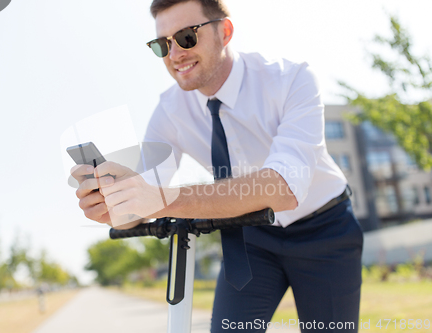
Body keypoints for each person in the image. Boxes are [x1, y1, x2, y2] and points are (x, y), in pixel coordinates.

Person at [73, 0, 363, 332]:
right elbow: (146, 191)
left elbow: (282, 188)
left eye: (185, 37)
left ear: (224, 32)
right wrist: (115, 204)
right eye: (162, 45)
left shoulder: (291, 78)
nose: (174, 54)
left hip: (325, 228)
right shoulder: (169, 110)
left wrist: (161, 198)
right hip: (251, 237)